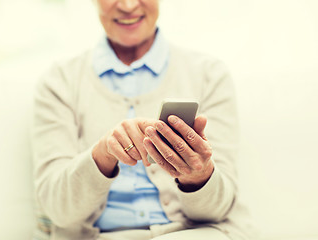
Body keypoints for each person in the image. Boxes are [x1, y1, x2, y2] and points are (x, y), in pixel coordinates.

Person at [31, 0, 254, 239]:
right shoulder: (59, 82)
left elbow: (217, 210)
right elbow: (58, 210)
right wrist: (104, 154)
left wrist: (197, 176)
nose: (128, 6)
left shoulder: (209, 75)